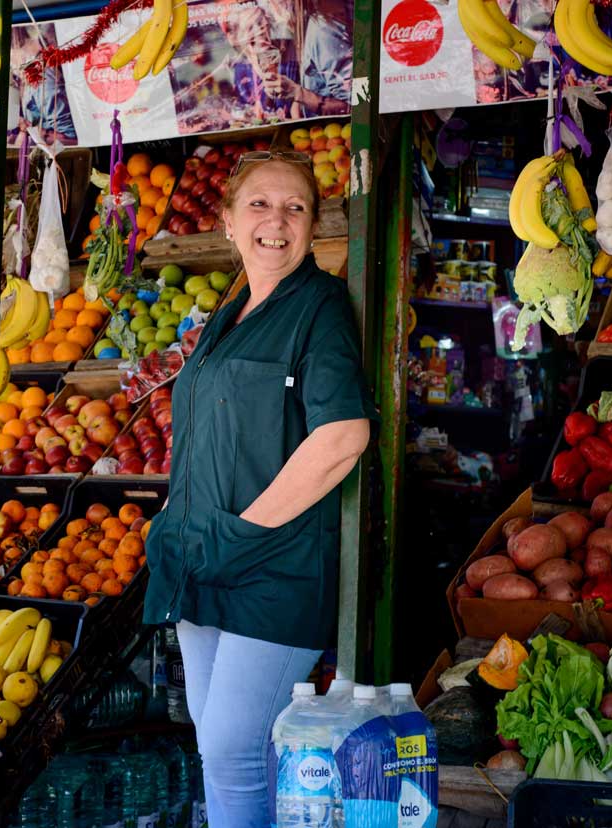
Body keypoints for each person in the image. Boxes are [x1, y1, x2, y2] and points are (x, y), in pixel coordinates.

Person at [143, 152, 373, 827]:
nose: (277, 221)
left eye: (295, 207)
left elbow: (343, 438)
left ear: (313, 223)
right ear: (227, 223)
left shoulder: (320, 307)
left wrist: (243, 530)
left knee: (234, 747)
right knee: (218, 750)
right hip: (200, 559)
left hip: (271, 566)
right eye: (260, 205)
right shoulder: (231, 308)